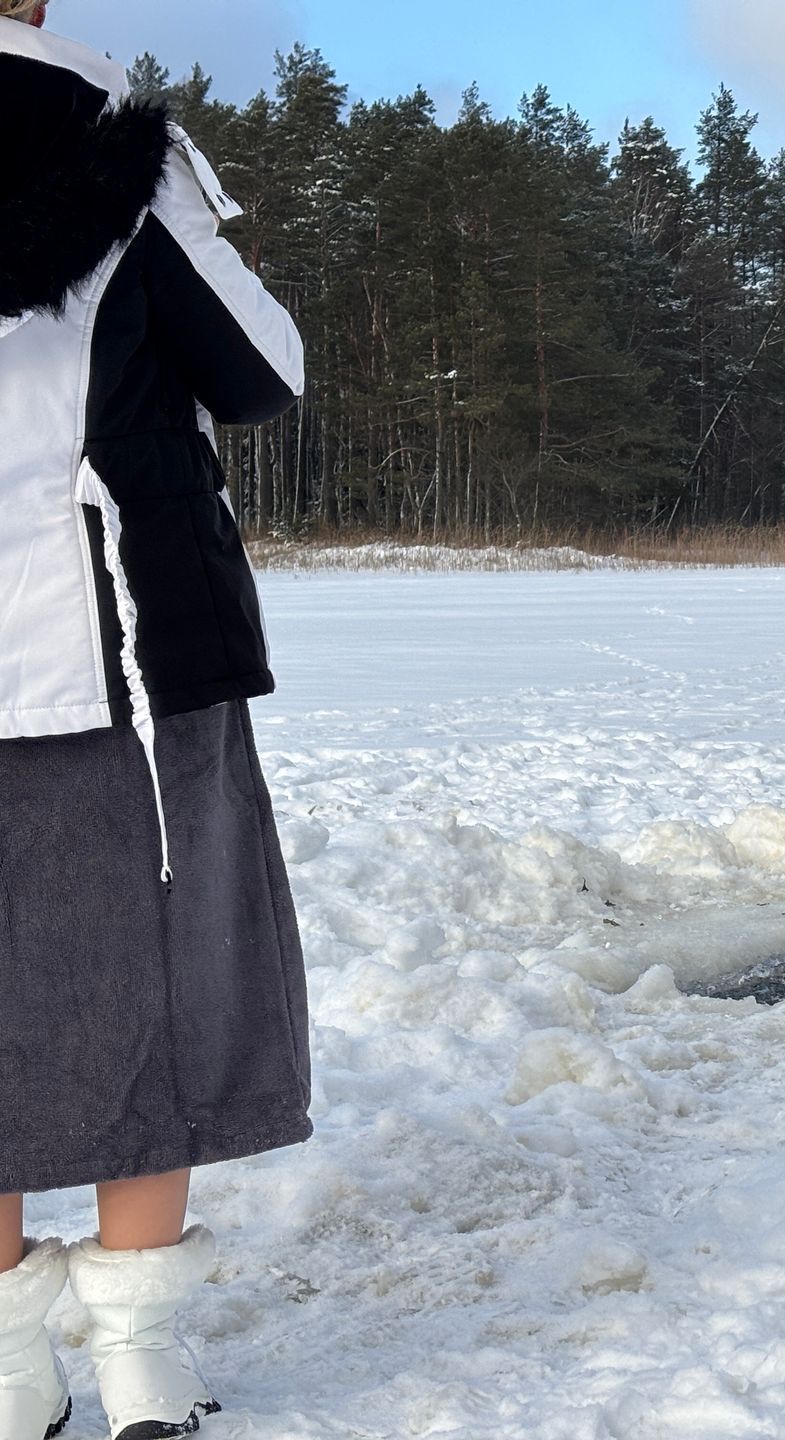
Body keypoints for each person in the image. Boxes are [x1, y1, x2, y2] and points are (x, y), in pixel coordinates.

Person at [1, 7, 310, 1439]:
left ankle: (5, 1377)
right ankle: (137, 1365)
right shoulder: (117, 153)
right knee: (165, 985)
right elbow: (263, 370)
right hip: (122, 642)